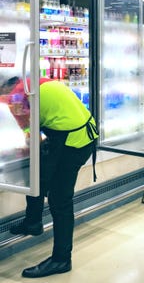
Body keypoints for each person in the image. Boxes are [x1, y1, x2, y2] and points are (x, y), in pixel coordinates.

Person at [1, 78, 98, 278]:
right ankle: (33, 222)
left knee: (59, 200)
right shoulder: (32, 82)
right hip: (81, 133)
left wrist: (23, 145)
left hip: (73, 141)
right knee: (38, 174)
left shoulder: (17, 97)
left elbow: (31, 134)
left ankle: (61, 259)